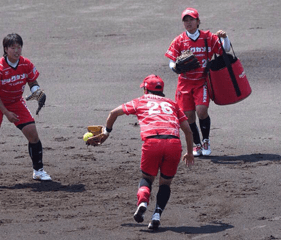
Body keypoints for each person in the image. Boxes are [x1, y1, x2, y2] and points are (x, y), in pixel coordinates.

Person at [87, 75, 194, 230]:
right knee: (165, 183)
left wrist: (107, 132)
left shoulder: (140, 101)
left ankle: (143, 202)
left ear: (145, 89)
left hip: (152, 143)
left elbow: (113, 113)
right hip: (173, 143)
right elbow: (188, 131)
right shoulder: (172, 104)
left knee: (147, 179)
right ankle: (156, 215)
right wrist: (190, 153)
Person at [0, 33, 51, 185]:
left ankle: (38, 171)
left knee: (32, 133)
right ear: (6, 49)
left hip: (15, 102)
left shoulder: (26, 64)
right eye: (13, 47)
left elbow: (32, 81)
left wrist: (37, 92)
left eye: (19, 47)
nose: (17, 50)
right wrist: (6, 112)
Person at [165, 7, 231, 156]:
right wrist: (175, 67)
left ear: (198, 21)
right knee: (188, 117)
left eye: (191, 20)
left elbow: (225, 50)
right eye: (186, 20)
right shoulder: (179, 40)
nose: (188, 23)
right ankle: (197, 144)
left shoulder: (208, 37)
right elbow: (171, 61)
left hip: (202, 81)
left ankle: (206, 140)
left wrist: (225, 38)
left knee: (202, 111)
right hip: (184, 83)